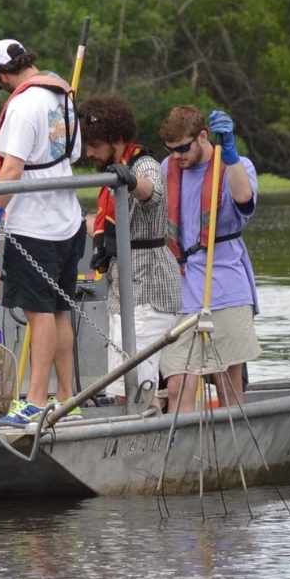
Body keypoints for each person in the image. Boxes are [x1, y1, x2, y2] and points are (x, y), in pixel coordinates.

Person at [0, 39, 86, 427]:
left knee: (40, 314)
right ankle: (66, 398)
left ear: (3, 75)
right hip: (68, 220)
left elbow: (11, 170)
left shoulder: (23, 106)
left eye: (1, 82)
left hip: (34, 226)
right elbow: (72, 155)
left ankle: (36, 401)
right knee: (59, 312)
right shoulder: (63, 98)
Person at [155, 105, 260, 414]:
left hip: (226, 285)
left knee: (228, 381)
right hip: (183, 289)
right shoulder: (167, 168)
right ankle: (180, 455)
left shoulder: (237, 166)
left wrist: (229, 156)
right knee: (177, 383)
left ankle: (234, 449)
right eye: (171, 150)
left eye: (183, 149)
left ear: (203, 137)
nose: (178, 157)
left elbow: (245, 201)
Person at [79, 94, 182, 405]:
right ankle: (138, 425)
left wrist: (132, 182)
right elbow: (101, 222)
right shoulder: (110, 175)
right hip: (122, 289)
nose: (89, 152)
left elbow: (153, 192)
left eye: (95, 144)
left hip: (150, 288)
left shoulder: (143, 165)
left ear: (117, 139)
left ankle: (139, 434)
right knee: (121, 380)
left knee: (133, 379)